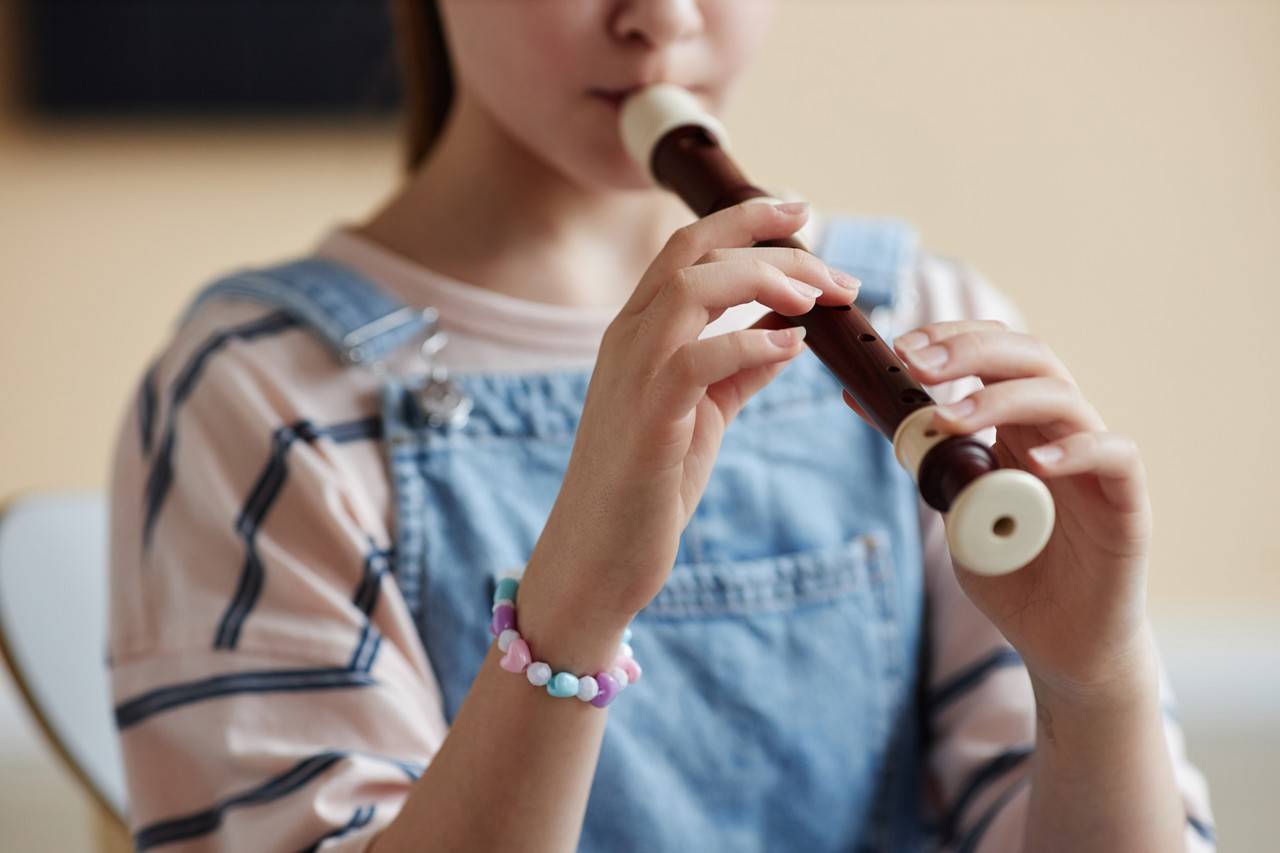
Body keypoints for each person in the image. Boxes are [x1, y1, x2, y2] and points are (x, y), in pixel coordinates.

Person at [105, 1, 1216, 850]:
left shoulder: (917, 316)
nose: (660, 19)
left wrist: (1093, 682)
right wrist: (573, 604)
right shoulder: (256, 393)